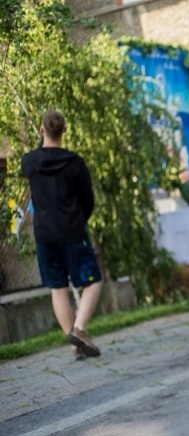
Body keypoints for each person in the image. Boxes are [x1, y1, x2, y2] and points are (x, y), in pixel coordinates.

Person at [21, 110, 103, 359]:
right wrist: (79, 220)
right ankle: (78, 330)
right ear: (64, 131)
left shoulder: (29, 161)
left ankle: (75, 344)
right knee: (94, 282)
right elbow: (88, 200)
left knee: (58, 290)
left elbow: (36, 162)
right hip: (72, 230)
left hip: (45, 234)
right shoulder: (75, 162)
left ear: (42, 130)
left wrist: (40, 141)